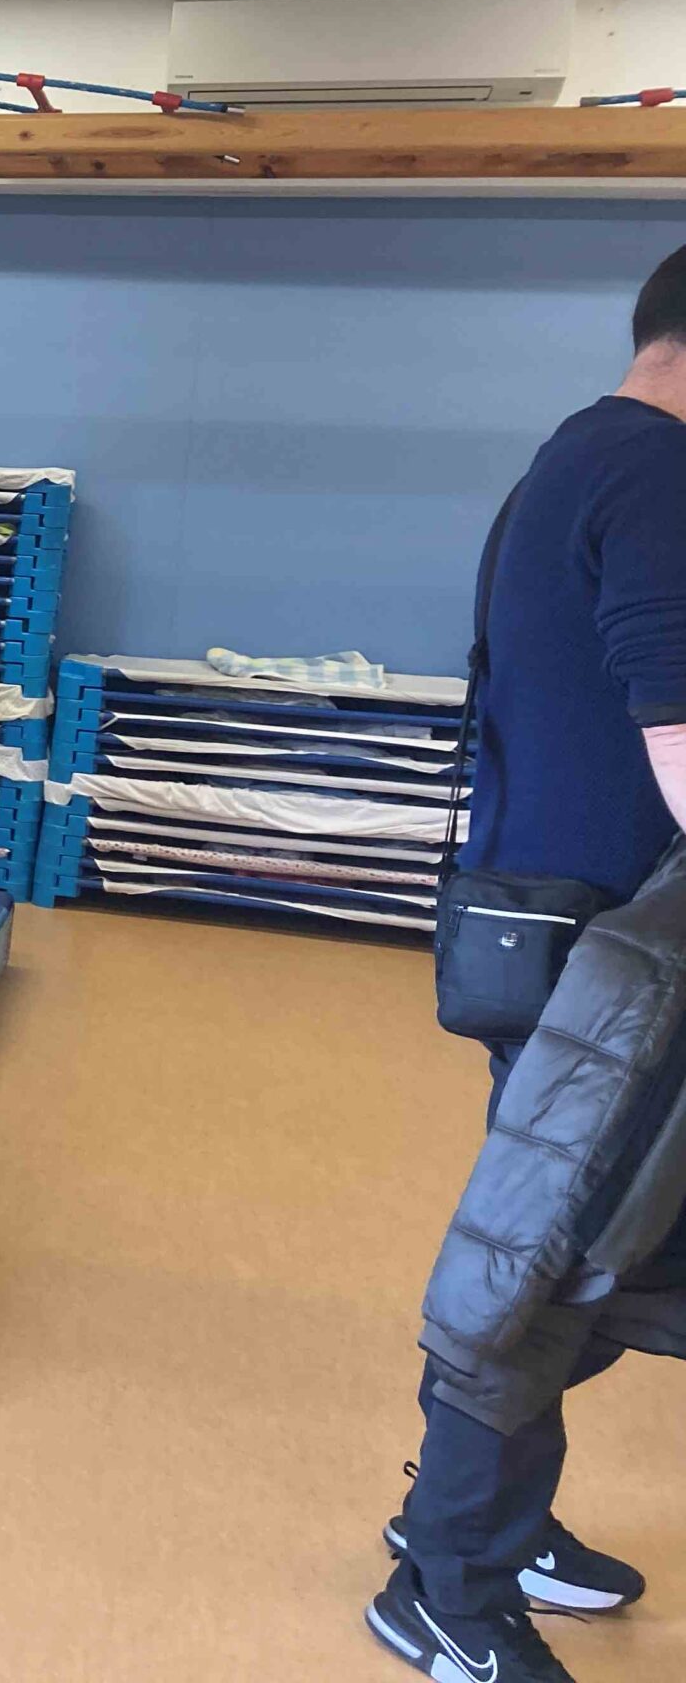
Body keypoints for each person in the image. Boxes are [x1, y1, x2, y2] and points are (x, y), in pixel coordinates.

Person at [367, 246, 686, 1683]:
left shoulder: (573, 457)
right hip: (606, 964)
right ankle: (446, 1582)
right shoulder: (657, 474)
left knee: (605, 1262)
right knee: (549, 1269)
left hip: (567, 937)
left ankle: (479, 1518)